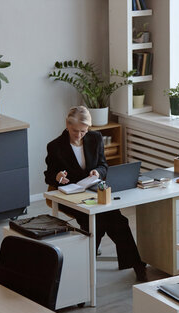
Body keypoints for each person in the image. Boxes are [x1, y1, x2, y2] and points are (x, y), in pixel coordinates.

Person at [44, 106, 147, 282]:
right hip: (70, 195)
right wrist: (58, 177)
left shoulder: (95, 138)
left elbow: (103, 165)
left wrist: (97, 173)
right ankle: (86, 266)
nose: (79, 135)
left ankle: (133, 264)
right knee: (98, 223)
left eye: (83, 131)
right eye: (75, 131)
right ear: (67, 126)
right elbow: (49, 175)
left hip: (93, 190)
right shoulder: (55, 146)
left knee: (118, 221)